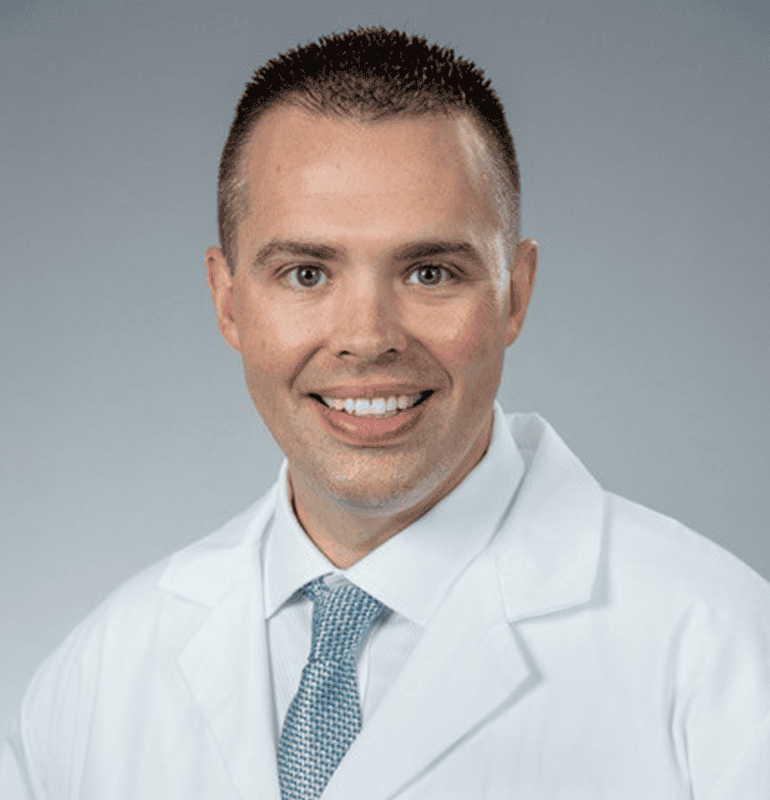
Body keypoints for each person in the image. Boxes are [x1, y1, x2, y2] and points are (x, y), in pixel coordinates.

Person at [2, 25, 768, 800]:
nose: (367, 339)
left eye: (430, 271)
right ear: (228, 300)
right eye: (306, 274)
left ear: (516, 293)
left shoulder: (723, 658)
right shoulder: (96, 679)